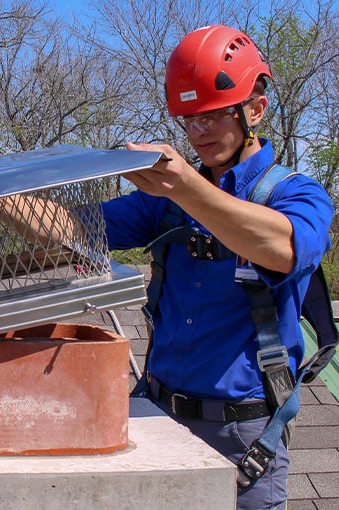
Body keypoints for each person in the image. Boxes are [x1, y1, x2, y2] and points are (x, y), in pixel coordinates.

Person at [100, 25, 334, 509]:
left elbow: (283, 248)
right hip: (155, 417)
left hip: (243, 436)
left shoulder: (295, 194)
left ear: (255, 109)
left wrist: (185, 186)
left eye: (211, 115)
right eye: (188, 119)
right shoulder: (165, 202)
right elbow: (75, 231)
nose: (198, 132)